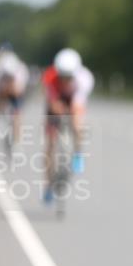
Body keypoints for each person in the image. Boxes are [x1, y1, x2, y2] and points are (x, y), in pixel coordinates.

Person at [42, 48, 95, 202]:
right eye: (62, 76)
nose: (65, 80)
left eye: (68, 77)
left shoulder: (84, 79)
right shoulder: (50, 77)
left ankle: (78, 153)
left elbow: (77, 105)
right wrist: (57, 109)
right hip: (57, 99)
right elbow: (52, 102)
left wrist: (70, 114)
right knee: (50, 144)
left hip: (74, 99)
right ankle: (47, 184)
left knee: (77, 124)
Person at [0, 49, 30, 147]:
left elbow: (20, 91)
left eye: (10, 76)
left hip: (17, 93)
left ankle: (17, 139)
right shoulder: (0, 70)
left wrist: (11, 88)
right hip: (4, 91)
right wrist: (5, 90)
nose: (9, 77)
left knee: (17, 115)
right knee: (0, 99)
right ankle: (0, 116)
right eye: (7, 76)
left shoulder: (21, 71)